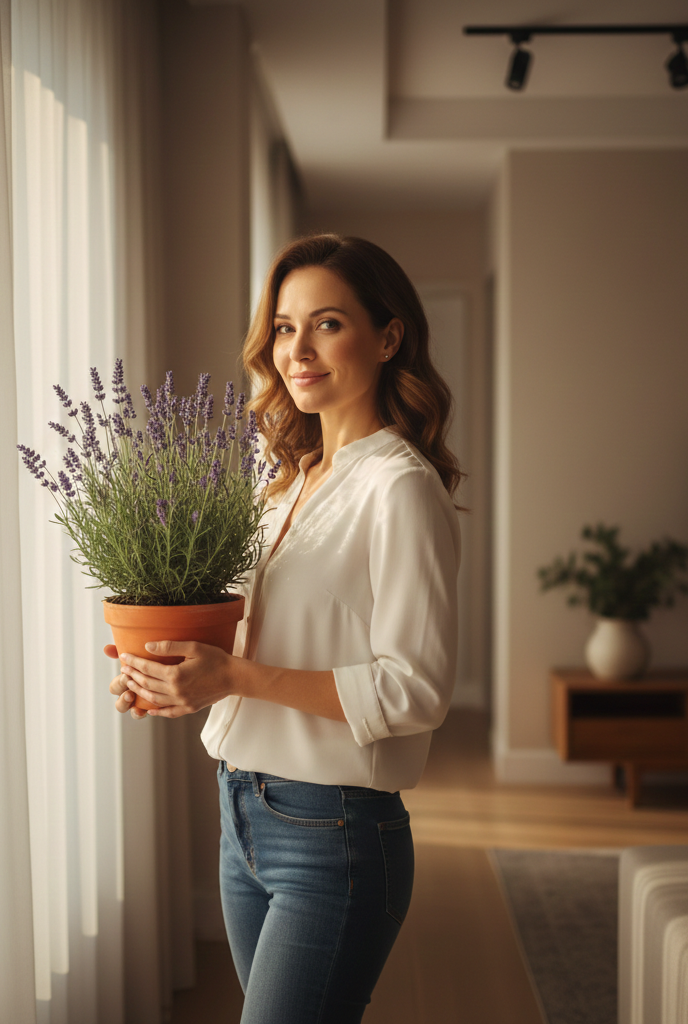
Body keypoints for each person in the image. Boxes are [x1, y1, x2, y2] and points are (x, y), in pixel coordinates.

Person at [106, 234, 462, 1023]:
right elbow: (263, 648)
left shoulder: (400, 489)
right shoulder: (285, 486)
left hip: (332, 834)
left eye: (327, 323)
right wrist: (172, 675)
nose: (296, 349)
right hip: (241, 814)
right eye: (284, 326)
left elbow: (417, 690)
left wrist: (233, 678)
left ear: (389, 335)